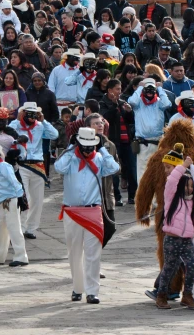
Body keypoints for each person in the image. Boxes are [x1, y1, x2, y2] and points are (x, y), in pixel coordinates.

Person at [54, 127, 120, 304]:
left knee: (93, 254)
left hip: (93, 211)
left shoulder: (99, 158)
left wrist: (103, 149)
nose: (87, 149)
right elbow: (58, 167)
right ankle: (77, 288)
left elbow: (114, 167)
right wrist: (70, 148)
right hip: (72, 211)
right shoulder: (70, 159)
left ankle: (92, 291)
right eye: (84, 145)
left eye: (91, 146)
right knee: (74, 253)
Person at [154, 154, 194, 310]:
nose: (189, 189)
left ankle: (187, 295)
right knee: (170, 267)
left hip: (186, 240)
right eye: (187, 186)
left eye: (191, 186)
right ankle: (161, 295)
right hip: (172, 239)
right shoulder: (171, 196)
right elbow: (172, 180)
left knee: (192, 264)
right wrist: (183, 166)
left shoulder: (193, 203)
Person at [9, 102, 59, 239]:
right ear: (23, 113)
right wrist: (17, 120)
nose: (31, 116)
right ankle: (21, 227)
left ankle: (31, 228)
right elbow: (7, 134)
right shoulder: (16, 125)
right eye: (28, 113)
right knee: (24, 197)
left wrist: (43, 120)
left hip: (37, 165)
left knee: (37, 199)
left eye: (33, 113)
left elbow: (54, 135)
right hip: (22, 164)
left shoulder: (40, 126)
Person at [128, 78, 172, 187]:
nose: (149, 92)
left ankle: (156, 202)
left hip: (158, 143)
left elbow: (167, 103)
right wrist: (140, 87)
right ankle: (143, 200)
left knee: (158, 172)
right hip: (143, 144)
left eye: (152, 90)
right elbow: (131, 101)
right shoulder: (138, 104)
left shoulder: (159, 103)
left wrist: (160, 89)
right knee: (143, 173)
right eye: (147, 90)